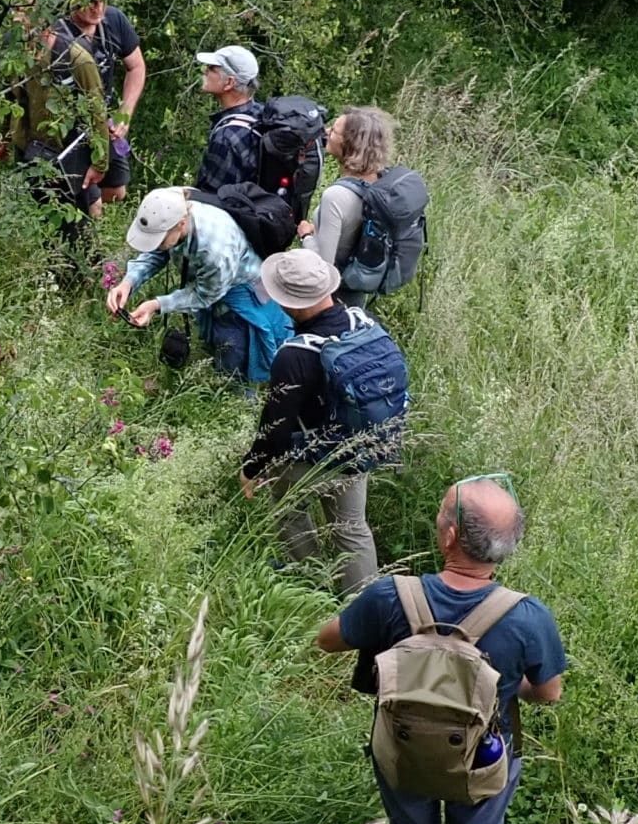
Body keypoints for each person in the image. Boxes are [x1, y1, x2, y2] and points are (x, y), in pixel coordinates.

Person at [314, 478, 567, 824]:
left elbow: (328, 640)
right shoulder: (527, 616)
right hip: (485, 760)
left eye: (440, 513)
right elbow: (549, 693)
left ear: (449, 538)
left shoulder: (392, 596)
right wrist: (493, 683)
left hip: (401, 751)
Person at [240, 250, 400, 595]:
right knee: (352, 527)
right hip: (361, 446)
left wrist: (251, 469)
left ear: (291, 304)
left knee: (287, 509)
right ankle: (362, 604)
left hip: (312, 457)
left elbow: (275, 430)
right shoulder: (364, 320)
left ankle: (311, 582)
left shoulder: (296, 353)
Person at [107, 186, 287, 383]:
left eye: (159, 239)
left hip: (243, 293)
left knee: (236, 359)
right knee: (213, 340)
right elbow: (157, 251)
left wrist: (156, 305)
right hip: (213, 282)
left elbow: (204, 295)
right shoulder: (171, 207)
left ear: (181, 224)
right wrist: (128, 282)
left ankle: (239, 397)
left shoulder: (215, 250)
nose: (156, 244)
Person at [303, 105, 428, 308]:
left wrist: (306, 235)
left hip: (329, 302)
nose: (326, 132)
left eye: (334, 130)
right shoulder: (381, 183)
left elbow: (322, 271)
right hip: (356, 297)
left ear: (350, 143)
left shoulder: (335, 196)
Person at [0, 7, 111, 220]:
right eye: (16, 12)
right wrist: (2, 138)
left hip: (65, 158)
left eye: (25, 13)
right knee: (36, 221)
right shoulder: (13, 53)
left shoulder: (75, 59)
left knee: (75, 228)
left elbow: (97, 113)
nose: (17, 19)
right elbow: (9, 98)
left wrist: (99, 164)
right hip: (27, 153)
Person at [60, 0, 146, 204]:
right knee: (89, 199)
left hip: (103, 119)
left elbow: (136, 66)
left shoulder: (114, 20)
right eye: (90, 1)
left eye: (102, 0)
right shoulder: (57, 30)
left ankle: (100, 224)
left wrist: (125, 113)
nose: (97, 8)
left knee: (117, 191)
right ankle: (87, 229)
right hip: (67, 122)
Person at [192, 45, 266, 194]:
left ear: (229, 83)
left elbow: (210, 196)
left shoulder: (226, 137)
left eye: (212, 68)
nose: (204, 71)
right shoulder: (261, 114)